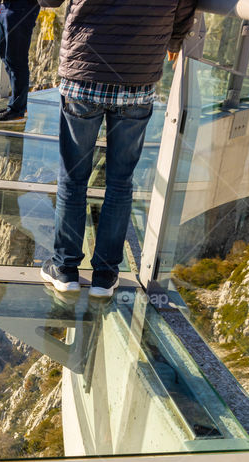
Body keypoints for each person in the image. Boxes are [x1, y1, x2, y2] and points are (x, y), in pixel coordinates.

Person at [38, 0, 197, 295]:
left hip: (85, 72)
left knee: (73, 178)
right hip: (138, 76)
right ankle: (105, 276)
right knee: (120, 183)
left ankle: (65, 269)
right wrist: (174, 38)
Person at [0, 0, 40, 124]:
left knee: (17, 58)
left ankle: (17, 110)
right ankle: (17, 104)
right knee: (5, 56)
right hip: (4, 7)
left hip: (21, 8)